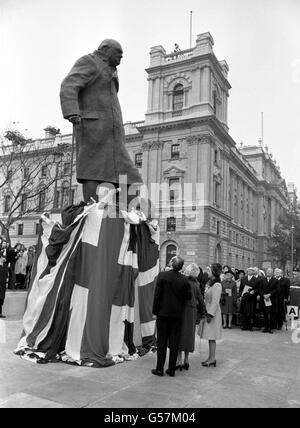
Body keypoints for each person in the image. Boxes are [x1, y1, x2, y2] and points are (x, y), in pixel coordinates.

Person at [60, 39, 142, 204]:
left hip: (113, 134)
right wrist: (72, 112)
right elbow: (68, 85)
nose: (121, 57)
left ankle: (121, 214)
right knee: (92, 171)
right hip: (93, 127)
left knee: (131, 178)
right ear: (105, 49)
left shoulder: (112, 70)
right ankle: (93, 213)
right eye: (118, 53)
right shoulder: (89, 61)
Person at [152, 256, 191, 377]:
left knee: (162, 341)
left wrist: (154, 311)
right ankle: (172, 369)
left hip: (163, 313)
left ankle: (159, 369)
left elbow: (157, 295)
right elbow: (188, 296)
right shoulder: (185, 279)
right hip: (177, 314)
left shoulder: (163, 275)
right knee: (174, 342)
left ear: (172, 264)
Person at [176, 263, 206, 371]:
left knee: (179, 334)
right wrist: (204, 312)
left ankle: (178, 359)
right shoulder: (196, 284)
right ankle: (186, 360)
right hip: (192, 311)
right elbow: (200, 299)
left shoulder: (182, 281)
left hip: (181, 310)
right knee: (189, 334)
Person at [199, 263, 223, 367]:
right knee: (210, 336)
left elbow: (215, 301)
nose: (207, 272)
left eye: (209, 270)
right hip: (208, 311)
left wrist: (210, 314)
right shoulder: (211, 283)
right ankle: (210, 357)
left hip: (213, 314)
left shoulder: (217, 285)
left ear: (213, 272)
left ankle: (212, 358)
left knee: (212, 336)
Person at [259, 268, 278, 334]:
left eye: (270, 271)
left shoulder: (275, 280)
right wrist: (263, 295)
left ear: (272, 273)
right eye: (267, 271)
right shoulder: (262, 280)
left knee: (272, 314)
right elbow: (260, 289)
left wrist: (269, 294)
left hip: (271, 299)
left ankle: (271, 328)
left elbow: (276, 289)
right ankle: (266, 327)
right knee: (265, 313)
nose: (268, 272)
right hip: (264, 298)